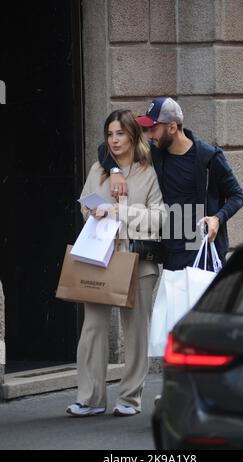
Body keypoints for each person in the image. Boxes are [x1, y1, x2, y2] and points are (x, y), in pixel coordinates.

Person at [66, 110, 166, 417]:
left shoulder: (150, 171)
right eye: (109, 134)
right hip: (99, 258)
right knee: (93, 328)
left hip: (138, 259)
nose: (114, 140)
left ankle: (130, 398)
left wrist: (119, 211)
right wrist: (94, 211)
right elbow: (85, 201)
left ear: (133, 136)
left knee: (135, 331)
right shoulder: (100, 167)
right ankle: (90, 398)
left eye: (120, 133)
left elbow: (160, 218)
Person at [98, 97, 243, 271]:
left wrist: (217, 218)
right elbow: (104, 148)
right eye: (147, 129)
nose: (149, 135)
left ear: (172, 127)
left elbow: (237, 195)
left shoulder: (208, 157)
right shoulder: (154, 152)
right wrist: (115, 172)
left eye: (153, 129)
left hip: (202, 251)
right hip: (171, 252)